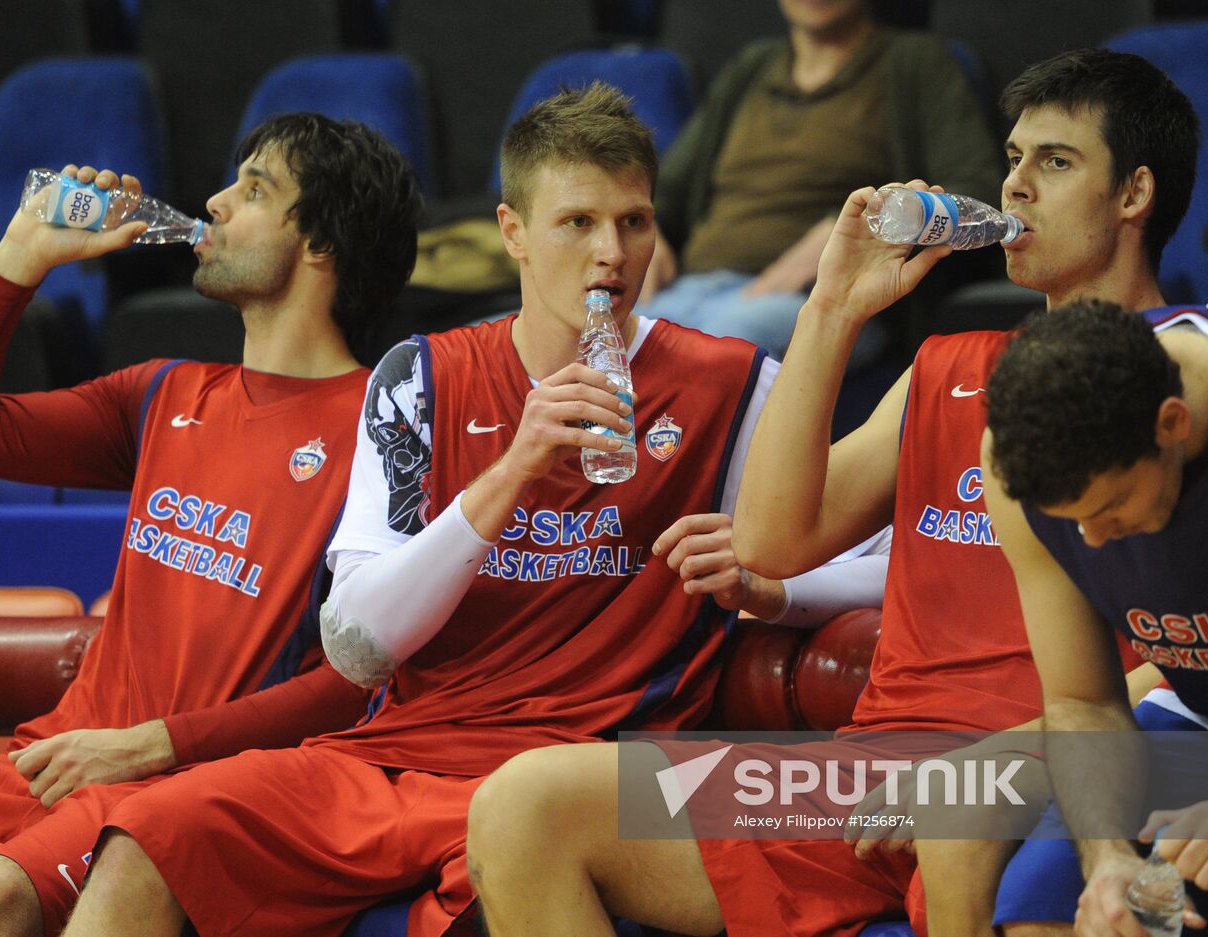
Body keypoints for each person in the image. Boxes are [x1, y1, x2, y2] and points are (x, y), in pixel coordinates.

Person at [50, 82, 888, 937]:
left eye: (634, 222)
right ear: (513, 232)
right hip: (396, 757)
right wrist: (511, 471)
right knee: (145, 846)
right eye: (578, 223)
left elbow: (895, 563)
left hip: (582, 775)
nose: (612, 254)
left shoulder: (734, 383)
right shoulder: (419, 379)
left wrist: (772, 584)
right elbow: (355, 644)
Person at [464, 48, 1195, 937]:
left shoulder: (1190, 383)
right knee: (523, 806)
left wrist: (1014, 757)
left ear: (1134, 194)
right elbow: (771, 544)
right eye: (1011, 160)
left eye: (1056, 161)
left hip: (1040, 771)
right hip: (866, 772)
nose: (1016, 189)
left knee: (959, 822)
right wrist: (832, 311)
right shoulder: (948, 368)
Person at [0, 114, 422, 937]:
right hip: (45, 764)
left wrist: (151, 744)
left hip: (180, 789)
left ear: (321, 243)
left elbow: (363, 680)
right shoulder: (164, 392)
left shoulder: (385, 432)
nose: (215, 201)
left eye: (256, 189)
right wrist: (19, 259)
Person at [982, 301, 1208, 936]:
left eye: (1110, 506)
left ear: (1173, 423)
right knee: (1053, 909)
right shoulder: (1015, 459)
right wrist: (1107, 855)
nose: (1090, 539)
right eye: (1071, 519)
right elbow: (1082, 700)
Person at [640, 0, 1002, 362]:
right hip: (695, 285)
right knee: (616, 344)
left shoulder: (913, 62)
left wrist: (854, 229)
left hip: (826, 299)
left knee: (711, 354)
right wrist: (647, 227)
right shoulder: (753, 65)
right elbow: (669, 184)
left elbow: (975, 186)